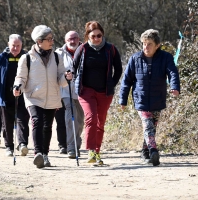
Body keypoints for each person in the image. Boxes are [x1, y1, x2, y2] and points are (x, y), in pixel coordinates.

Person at [13, 25, 72, 168]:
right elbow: (20, 77)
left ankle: (45, 155)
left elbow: (61, 80)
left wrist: (67, 78)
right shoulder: (26, 58)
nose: (52, 41)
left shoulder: (57, 57)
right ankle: (38, 153)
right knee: (37, 121)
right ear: (39, 41)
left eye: (52, 38)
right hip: (33, 97)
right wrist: (18, 86)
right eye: (49, 39)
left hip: (52, 97)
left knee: (47, 126)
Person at [119, 29, 180, 166]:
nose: (146, 47)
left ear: (157, 45)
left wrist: (174, 87)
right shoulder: (135, 58)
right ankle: (153, 151)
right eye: (144, 44)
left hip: (158, 98)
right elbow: (127, 80)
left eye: (149, 44)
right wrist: (123, 99)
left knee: (152, 127)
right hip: (141, 98)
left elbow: (173, 73)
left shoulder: (166, 57)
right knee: (148, 125)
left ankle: (144, 151)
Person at [73, 21, 122, 165]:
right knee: (91, 118)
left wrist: (112, 83)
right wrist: (70, 76)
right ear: (87, 36)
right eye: (93, 36)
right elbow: (73, 68)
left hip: (105, 92)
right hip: (86, 90)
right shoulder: (82, 49)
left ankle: (97, 152)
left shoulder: (110, 49)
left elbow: (118, 69)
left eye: (99, 35)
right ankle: (90, 150)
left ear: (103, 35)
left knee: (101, 122)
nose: (96, 38)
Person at [0, 34, 30, 157]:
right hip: (5, 97)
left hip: (23, 96)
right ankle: (9, 146)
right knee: (7, 123)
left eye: (18, 46)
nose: (15, 48)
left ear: (22, 45)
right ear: (8, 45)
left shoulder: (27, 58)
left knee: (22, 121)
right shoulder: (1, 58)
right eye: (13, 46)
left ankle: (22, 144)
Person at [56, 30, 84, 159]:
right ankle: (71, 148)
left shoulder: (86, 50)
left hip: (83, 92)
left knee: (80, 120)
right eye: (70, 39)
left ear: (79, 39)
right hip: (66, 91)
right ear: (65, 41)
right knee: (70, 117)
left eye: (75, 38)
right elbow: (54, 73)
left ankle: (76, 143)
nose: (73, 41)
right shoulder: (58, 54)